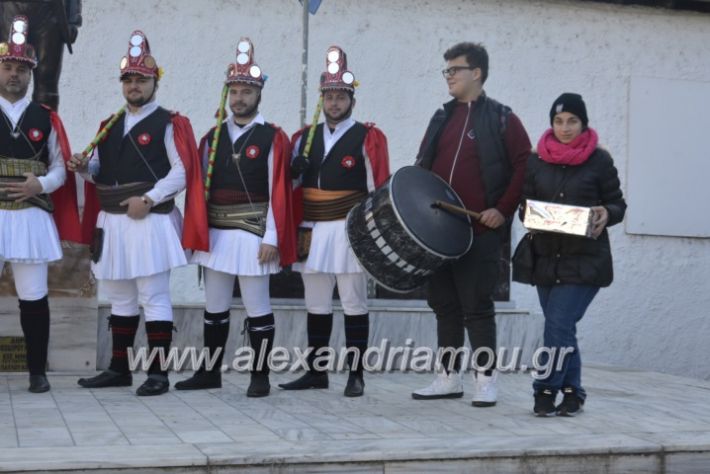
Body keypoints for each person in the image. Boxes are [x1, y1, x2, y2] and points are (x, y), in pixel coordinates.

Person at [68, 30, 207, 396]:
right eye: (128, 79)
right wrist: (83, 165)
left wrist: (148, 198)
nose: (134, 85)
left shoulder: (169, 122)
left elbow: (182, 170)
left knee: (154, 295)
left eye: (141, 80)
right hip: (112, 221)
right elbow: (97, 170)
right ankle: (119, 368)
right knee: (120, 297)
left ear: (154, 82)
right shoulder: (109, 125)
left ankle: (159, 373)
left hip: (149, 219)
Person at [175, 37, 296, 397]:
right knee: (214, 308)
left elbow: (278, 189)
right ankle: (209, 371)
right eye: (235, 91)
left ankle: (260, 376)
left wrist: (272, 237)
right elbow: (199, 190)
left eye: (247, 91)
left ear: (258, 94)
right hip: (216, 233)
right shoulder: (212, 137)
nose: (240, 97)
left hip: (253, 231)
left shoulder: (273, 137)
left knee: (258, 307)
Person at [412, 42, 531, 407]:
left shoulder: (502, 118)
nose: (448, 76)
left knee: (477, 306)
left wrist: (501, 209)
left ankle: (485, 380)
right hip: (438, 234)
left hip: (479, 231)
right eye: (445, 70)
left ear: (476, 73)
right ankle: (448, 378)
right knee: (444, 304)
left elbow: (525, 165)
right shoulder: (441, 117)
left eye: (454, 70)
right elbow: (421, 167)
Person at [279, 46, 389, 397]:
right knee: (316, 303)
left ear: (351, 99)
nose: (335, 103)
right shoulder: (304, 139)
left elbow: (377, 189)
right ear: (322, 99)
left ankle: (356, 374)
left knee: (354, 302)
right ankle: (316, 371)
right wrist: (293, 171)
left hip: (347, 229)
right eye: (329, 96)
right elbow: (289, 188)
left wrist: (371, 234)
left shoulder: (366, 137)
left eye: (341, 97)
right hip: (312, 229)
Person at [516, 93, 626, 417]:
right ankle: (574, 393)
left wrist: (607, 212)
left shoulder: (600, 161)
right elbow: (524, 205)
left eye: (572, 121)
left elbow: (618, 205)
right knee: (561, 328)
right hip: (546, 260)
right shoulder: (536, 160)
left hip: (585, 260)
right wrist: (531, 212)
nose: (565, 127)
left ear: (583, 123)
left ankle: (545, 389)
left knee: (558, 323)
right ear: (552, 123)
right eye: (559, 121)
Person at [0, 15, 80, 392]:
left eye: (21, 69)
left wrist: (40, 184)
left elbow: (61, 170)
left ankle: (37, 372)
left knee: (33, 298)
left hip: (30, 217)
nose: (14, 74)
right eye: (8, 67)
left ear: (31, 74)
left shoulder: (44, 118)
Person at [0, 0, 82, 109]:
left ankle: (45, 124)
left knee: (47, 81)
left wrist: (73, 18)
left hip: (49, 12)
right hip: (11, 8)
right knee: (7, 76)